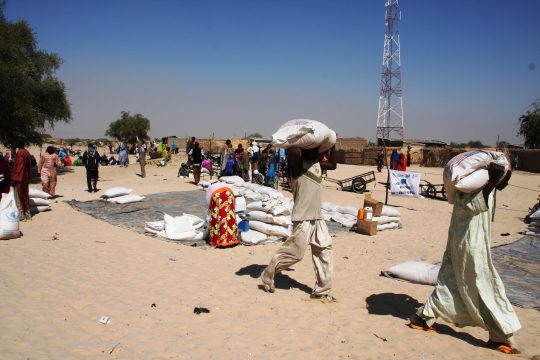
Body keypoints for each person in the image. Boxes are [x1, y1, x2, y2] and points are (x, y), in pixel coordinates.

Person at [409, 163, 521, 355]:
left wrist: (496, 181)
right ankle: (499, 335)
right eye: (504, 178)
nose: (504, 182)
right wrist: (492, 181)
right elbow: (473, 206)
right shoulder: (475, 188)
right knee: (483, 286)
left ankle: (423, 317)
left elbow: (492, 194)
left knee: (449, 282)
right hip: (470, 246)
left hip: (463, 244)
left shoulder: (482, 185)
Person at [261, 145, 337, 302]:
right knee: (296, 253)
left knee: (324, 251)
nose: (320, 152)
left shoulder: (317, 164)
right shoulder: (298, 164)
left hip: (317, 216)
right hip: (302, 216)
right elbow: (293, 153)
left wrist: (332, 145)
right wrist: (303, 144)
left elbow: (333, 164)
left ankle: (322, 290)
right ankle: (268, 273)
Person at [11, 142, 33, 220]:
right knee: (25, 195)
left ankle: (21, 216)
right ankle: (28, 214)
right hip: (26, 177)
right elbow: (29, 167)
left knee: (18, 196)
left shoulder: (19, 153)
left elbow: (19, 166)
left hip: (20, 178)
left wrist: (14, 179)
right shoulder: (27, 152)